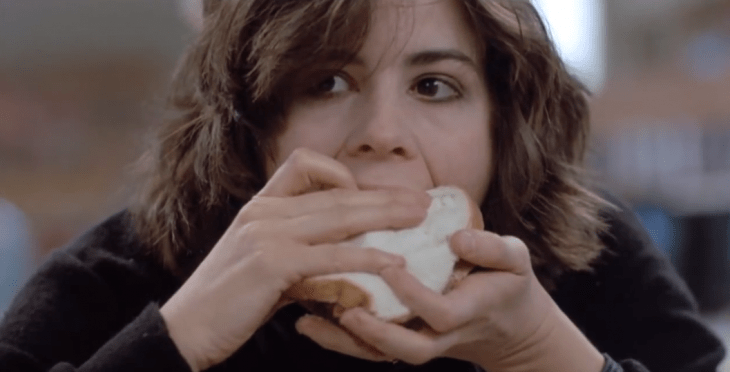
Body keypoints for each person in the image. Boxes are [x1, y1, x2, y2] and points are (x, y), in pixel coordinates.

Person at [0, 0, 725, 371]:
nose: (383, 131)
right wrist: (177, 339)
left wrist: (539, 352)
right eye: (328, 82)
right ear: (255, 124)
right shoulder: (128, 267)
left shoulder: (583, 246)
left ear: (502, 126)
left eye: (436, 86)